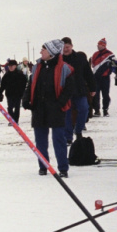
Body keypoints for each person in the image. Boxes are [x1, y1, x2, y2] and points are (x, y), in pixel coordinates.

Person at [22, 39, 72, 177]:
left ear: (51, 52)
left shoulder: (64, 68)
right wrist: (26, 100)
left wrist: (59, 104)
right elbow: (30, 85)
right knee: (40, 141)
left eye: (43, 49)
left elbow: (69, 89)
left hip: (56, 109)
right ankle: (43, 166)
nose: (40, 52)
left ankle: (63, 168)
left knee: (59, 140)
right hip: (39, 108)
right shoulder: (37, 67)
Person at [60, 37, 96, 144]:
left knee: (84, 109)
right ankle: (68, 137)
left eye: (67, 47)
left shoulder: (80, 58)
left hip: (79, 89)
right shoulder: (59, 60)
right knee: (67, 114)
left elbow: (88, 73)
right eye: (63, 47)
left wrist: (93, 87)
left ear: (72, 46)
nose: (65, 49)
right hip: (65, 91)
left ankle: (79, 130)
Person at [90, 39, 115, 116]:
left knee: (105, 94)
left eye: (99, 44)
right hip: (96, 78)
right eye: (97, 44)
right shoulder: (95, 54)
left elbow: (114, 65)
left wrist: (109, 71)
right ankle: (97, 110)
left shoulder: (110, 54)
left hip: (105, 78)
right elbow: (93, 64)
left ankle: (105, 110)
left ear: (103, 45)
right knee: (95, 94)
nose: (98, 46)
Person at [0, 59, 27, 124]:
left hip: (18, 94)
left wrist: (22, 92)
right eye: (9, 66)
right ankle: (12, 120)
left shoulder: (20, 75)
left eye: (12, 66)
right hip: (9, 94)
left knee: (17, 108)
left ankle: (15, 121)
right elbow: (2, 85)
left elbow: (24, 84)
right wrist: (0, 93)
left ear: (15, 66)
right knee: (10, 108)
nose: (10, 67)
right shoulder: (6, 75)